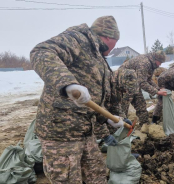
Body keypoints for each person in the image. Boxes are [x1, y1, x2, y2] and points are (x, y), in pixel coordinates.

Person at [30, 16, 126, 184]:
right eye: (116, 42)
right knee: (67, 179)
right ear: (109, 37)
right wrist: (67, 83)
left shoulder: (97, 56)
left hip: (84, 130)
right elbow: (42, 51)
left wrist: (108, 119)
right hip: (61, 132)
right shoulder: (79, 39)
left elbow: (97, 96)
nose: (114, 48)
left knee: (97, 175)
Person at [119, 51, 167, 125]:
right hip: (123, 83)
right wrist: (157, 92)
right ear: (155, 59)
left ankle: (145, 125)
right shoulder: (144, 63)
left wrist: (158, 89)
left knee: (141, 104)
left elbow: (148, 79)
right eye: (160, 62)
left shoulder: (152, 64)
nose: (160, 64)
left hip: (134, 83)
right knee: (123, 107)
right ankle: (119, 128)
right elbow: (142, 83)